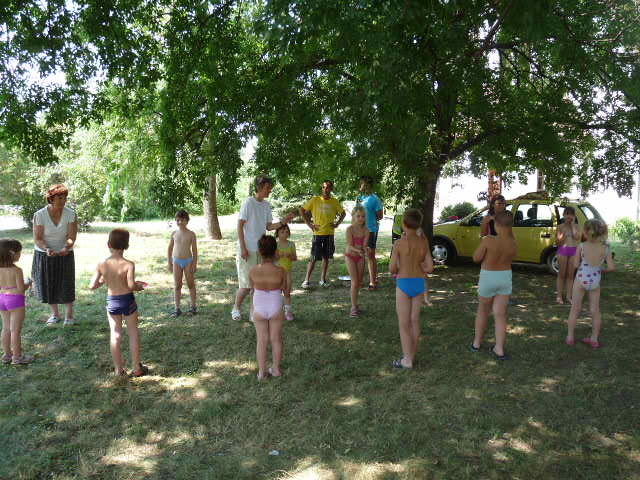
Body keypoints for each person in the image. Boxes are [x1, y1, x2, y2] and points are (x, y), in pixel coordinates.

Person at [232, 176, 294, 322]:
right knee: (246, 285)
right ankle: (235, 308)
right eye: (267, 187)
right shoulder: (248, 203)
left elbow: (269, 227)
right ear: (259, 187)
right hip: (247, 249)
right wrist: (243, 248)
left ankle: (253, 312)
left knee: (257, 284)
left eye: (270, 187)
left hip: (261, 250)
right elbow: (240, 225)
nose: (270, 190)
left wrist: (283, 221)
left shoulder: (266, 205)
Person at [89, 229, 148, 377]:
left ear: (108, 244)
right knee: (133, 333)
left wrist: (103, 280)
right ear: (126, 246)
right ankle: (136, 368)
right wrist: (139, 286)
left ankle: (118, 370)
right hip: (127, 300)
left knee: (115, 334)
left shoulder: (102, 264)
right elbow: (130, 286)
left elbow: (92, 286)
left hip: (112, 302)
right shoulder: (129, 264)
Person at [389, 209, 434, 369]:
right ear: (418, 224)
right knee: (414, 320)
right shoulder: (423, 242)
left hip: (403, 283)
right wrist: (420, 266)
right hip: (419, 283)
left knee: (404, 323)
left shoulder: (398, 243)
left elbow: (392, 268)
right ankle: (411, 355)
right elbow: (430, 267)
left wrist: (399, 265)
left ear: (403, 224)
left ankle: (407, 360)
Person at [470, 211, 517, 360]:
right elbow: (513, 256)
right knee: (500, 314)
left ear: (496, 224)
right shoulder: (513, 242)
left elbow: (476, 258)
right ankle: (499, 348)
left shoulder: (488, 240)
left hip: (488, 277)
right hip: (505, 278)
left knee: (483, 310)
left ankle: (477, 343)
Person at [31, 184, 78, 326]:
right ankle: (55, 314)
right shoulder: (40, 215)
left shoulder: (70, 214)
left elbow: (71, 237)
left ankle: (69, 315)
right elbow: (38, 238)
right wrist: (47, 249)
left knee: (66, 283)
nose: (63, 201)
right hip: (44, 253)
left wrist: (66, 247)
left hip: (65, 253)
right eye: (60, 198)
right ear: (51, 199)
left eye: (65, 198)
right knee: (49, 283)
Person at [566, 219, 615, 348]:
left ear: (586, 232)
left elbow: (575, 265)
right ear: (602, 232)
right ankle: (594, 339)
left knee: (575, 309)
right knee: (595, 310)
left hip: (580, 279)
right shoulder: (606, 247)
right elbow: (611, 267)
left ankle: (570, 337)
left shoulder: (581, 246)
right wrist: (600, 270)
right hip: (595, 281)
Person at [250, 235, 286, 380]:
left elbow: (252, 289)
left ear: (259, 252)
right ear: (275, 251)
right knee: (276, 339)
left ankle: (261, 372)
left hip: (259, 306)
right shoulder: (281, 271)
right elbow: (285, 289)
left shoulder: (253, 270)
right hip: (275, 305)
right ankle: (276, 369)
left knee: (261, 340)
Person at [299, 180, 346, 288]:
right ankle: (306, 280)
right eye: (324, 187)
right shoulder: (315, 200)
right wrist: (309, 224)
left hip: (329, 234)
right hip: (318, 234)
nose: (325, 189)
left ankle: (322, 280)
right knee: (313, 257)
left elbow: (343, 213)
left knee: (326, 257)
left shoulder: (334, 201)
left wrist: (337, 223)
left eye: (328, 187)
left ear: (331, 189)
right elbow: (301, 210)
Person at [0, 239, 34, 365]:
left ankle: (7, 355)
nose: (20, 255)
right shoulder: (17, 270)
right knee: (15, 330)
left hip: (2, 298)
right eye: (19, 252)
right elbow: (20, 289)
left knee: (6, 328)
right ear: (12, 253)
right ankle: (17, 357)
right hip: (15, 301)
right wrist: (28, 283)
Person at [167, 210, 198, 316]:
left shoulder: (191, 234)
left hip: (188, 261)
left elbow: (194, 250)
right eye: (178, 220)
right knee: (177, 285)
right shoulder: (174, 234)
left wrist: (194, 264)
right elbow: (170, 248)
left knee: (190, 284)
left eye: (182, 220)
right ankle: (177, 309)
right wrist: (169, 262)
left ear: (187, 220)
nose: (180, 222)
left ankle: (193, 307)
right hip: (176, 261)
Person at [357, 176, 384, 289]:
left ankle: (372, 282)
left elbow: (380, 216)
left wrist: (370, 219)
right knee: (361, 255)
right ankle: (359, 281)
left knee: (370, 255)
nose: (360, 186)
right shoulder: (360, 198)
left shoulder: (374, 199)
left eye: (362, 183)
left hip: (371, 230)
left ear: (367, 185)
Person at [345, 205, 370, 317]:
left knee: (358, 282)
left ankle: (356, 304)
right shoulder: (349, 229)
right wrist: (358, 250)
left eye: (363, 216)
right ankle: (353, 308)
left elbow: (364, 245)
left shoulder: (366, 230)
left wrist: (366, 250)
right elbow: (349, 245)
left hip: (360, 257)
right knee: (355, 282)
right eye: (358, 216)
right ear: (353, 216)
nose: (361, 218)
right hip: (350, 256)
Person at [555, 206, 580, 304]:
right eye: (567, 214)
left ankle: (569, 296)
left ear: (574, 216)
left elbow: (577, 237)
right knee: (561, 274)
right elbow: (558, 242)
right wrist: (563, 235)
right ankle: (559, 296)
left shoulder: (576, 226)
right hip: (563, 250)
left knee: (570, 275)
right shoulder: (560, 227)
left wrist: (572, 226)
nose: (569, 216)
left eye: (571, 214)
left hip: (573, 251)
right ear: (564, 215)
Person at [275, 224, 297, 321]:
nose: (285, 234)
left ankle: (288, 311)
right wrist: (278, 255)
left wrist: (290, 256)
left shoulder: (291, 244)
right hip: (277, 274)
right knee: (276, 293)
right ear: (277, 234)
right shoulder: (275, 245)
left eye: (287, 232)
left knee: (287, 293)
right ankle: (277, 311)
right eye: (282, 232)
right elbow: (273, 258)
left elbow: (295, 258)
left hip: (287, 273)